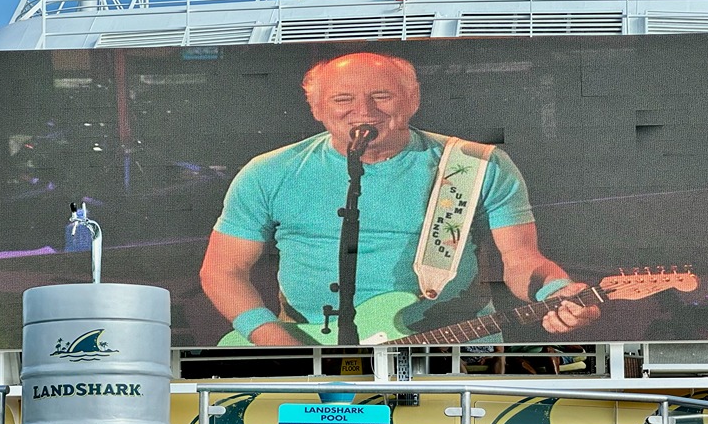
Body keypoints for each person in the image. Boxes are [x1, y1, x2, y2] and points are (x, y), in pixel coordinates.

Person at [200, 52, 600, 346]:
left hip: (448, 341)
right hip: (304, 346)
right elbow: (222, 270)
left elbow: (521, 259)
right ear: (316, 107)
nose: (364, 111)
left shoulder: (474, 165)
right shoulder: (269, 171)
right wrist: (272, 339)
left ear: (412, 100)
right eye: (342, 99)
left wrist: (557, 292)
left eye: (382, 96)